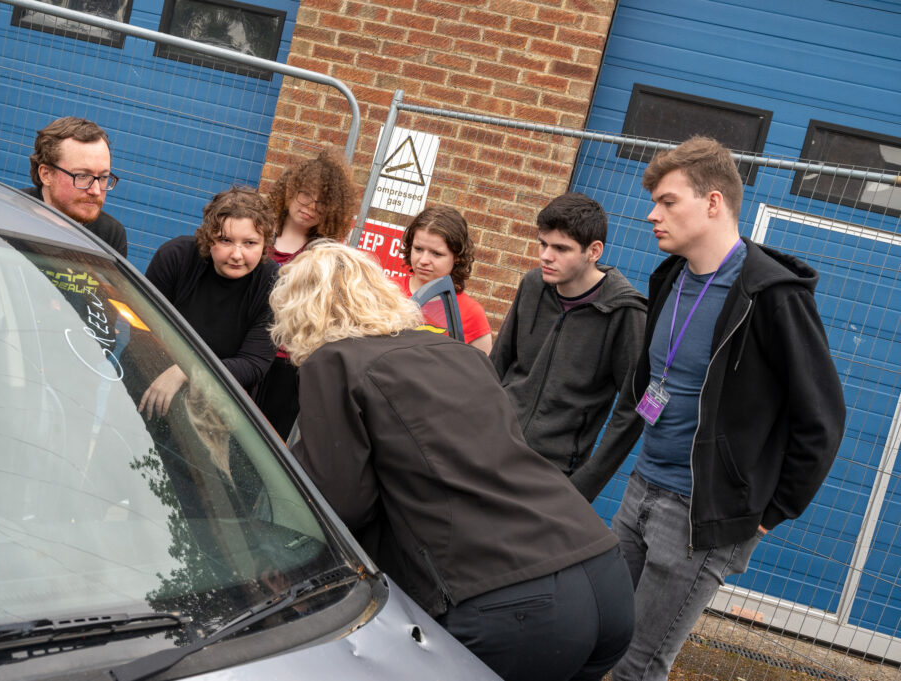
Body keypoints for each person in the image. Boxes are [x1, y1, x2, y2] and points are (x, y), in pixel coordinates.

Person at [270, 240, 635, 681]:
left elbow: (340, 503)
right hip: (602, 575)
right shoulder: (456, 352)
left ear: (299, 311)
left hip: (510, 604)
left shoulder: (333, 362)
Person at [609, 136, 846, 681]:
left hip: (700, 516)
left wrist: (767, 514)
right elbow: (652, 384)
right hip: (641, 491)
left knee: (637, 667)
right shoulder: (669, 277)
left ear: (713, 203)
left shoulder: (772, 296)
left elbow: (822, 419)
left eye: (668, 202)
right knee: (602, 637)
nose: (652, 215)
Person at [489, 193, 646, 501]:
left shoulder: (625, 312)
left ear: (594, 251)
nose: (546, 256)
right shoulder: (533, 284)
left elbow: (632, 411)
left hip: (553, 474)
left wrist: (582, 487)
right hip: (493, 449)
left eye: (560, 248)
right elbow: (497, 364)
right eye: (542, 244)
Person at [140, 187, 278, 417]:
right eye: (225, 240)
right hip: (151, 384)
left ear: (265, 244)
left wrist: (188, 370)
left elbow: (253, 364)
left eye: (250, 243)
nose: (237, 254)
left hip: (217, 411)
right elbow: (143, 329)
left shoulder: (272, 283)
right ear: (208, 237)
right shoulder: (175, 258)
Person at [255, 149, 356, 440]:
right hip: (247, 352)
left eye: (322, 202)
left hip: (286, 363)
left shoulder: (323, 252)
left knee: (267, 442)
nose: (311, 206)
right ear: (289, 190)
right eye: (305, 194)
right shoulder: (261, 234)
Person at [389, 206, 493, 353]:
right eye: (418, 249)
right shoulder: (385, 289)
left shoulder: (471, 313)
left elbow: (479, 372)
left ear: (456, 257)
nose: (424, 260)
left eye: (436, 254)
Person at [24, 116, 128, 257]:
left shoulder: (110, 234)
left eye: (103, 177)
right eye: (82, 176)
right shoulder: (8, 214)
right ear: (46, 174)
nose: (96, 191)